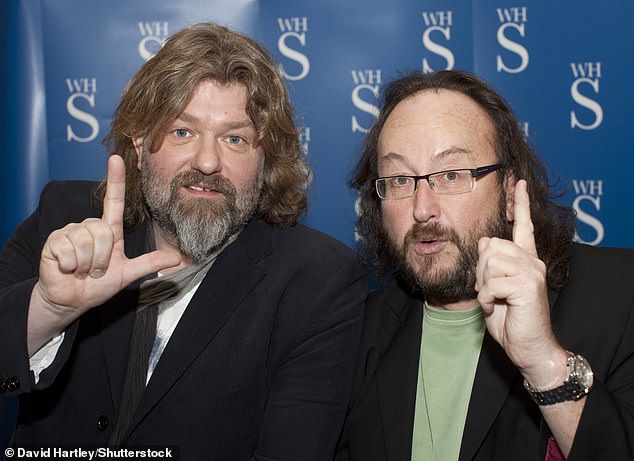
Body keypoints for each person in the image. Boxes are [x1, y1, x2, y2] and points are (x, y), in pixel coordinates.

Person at [0, 23, 366, 460]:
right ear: (138, 143)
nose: (208, 162)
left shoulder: (318, 282)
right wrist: (50, 309)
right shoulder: (61, 219)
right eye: (182, 132)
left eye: (235, 138)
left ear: (265, 159)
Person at [336, 70, 634, 460]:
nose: (422, 208)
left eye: (452, 174)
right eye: (399, 180)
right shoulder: (354, 331)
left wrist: (543, 361)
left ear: (511, 192)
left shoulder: (619, 296)